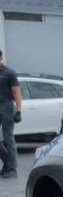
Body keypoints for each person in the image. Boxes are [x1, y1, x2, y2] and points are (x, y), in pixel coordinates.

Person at [0, 49, 23, 178]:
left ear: (1, 57)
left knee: (8, 138)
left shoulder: (9, 73)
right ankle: (7, 163)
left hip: (7, 107)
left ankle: (12, 169)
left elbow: (17, 92)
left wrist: (18, 111)